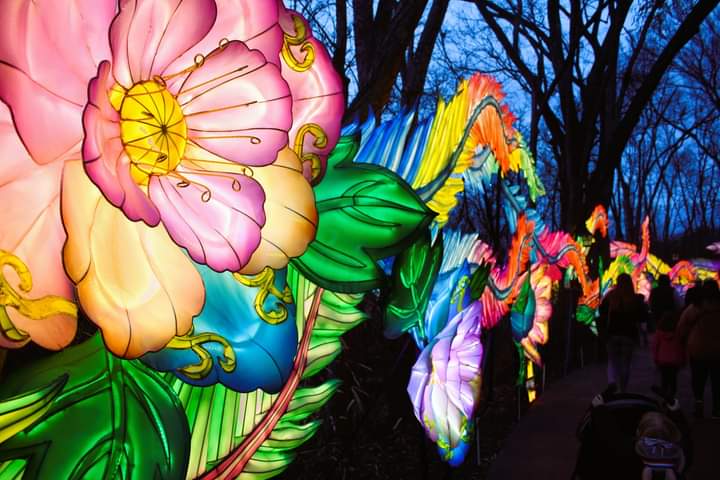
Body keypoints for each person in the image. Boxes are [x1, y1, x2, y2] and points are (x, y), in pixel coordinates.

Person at [677, 279, 720, 419]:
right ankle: (716, 409)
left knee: (698, 379)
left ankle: (699, 405)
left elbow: (681, 326)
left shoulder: (695, 307)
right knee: (717, 381)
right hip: (717, 350)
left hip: (698, 348)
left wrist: (682, 340)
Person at [599, 274, 648, 393]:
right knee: (626, 362)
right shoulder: (634, 299)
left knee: (612, 360)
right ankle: (623, 389)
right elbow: (642, 317)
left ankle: (612, 382)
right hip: (628, 334)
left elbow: (602, 311)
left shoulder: (611, 296)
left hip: (612, 333)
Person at [652, 311, 685, 399]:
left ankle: (664, 397)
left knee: (664, 379)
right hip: (675, 360)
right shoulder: (679, 332)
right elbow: (683, 346)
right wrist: (683, 359)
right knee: (673, 379)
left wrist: (655, 358)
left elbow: (655, 346)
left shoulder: (659, 333)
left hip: (662, 359)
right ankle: (672, 396)